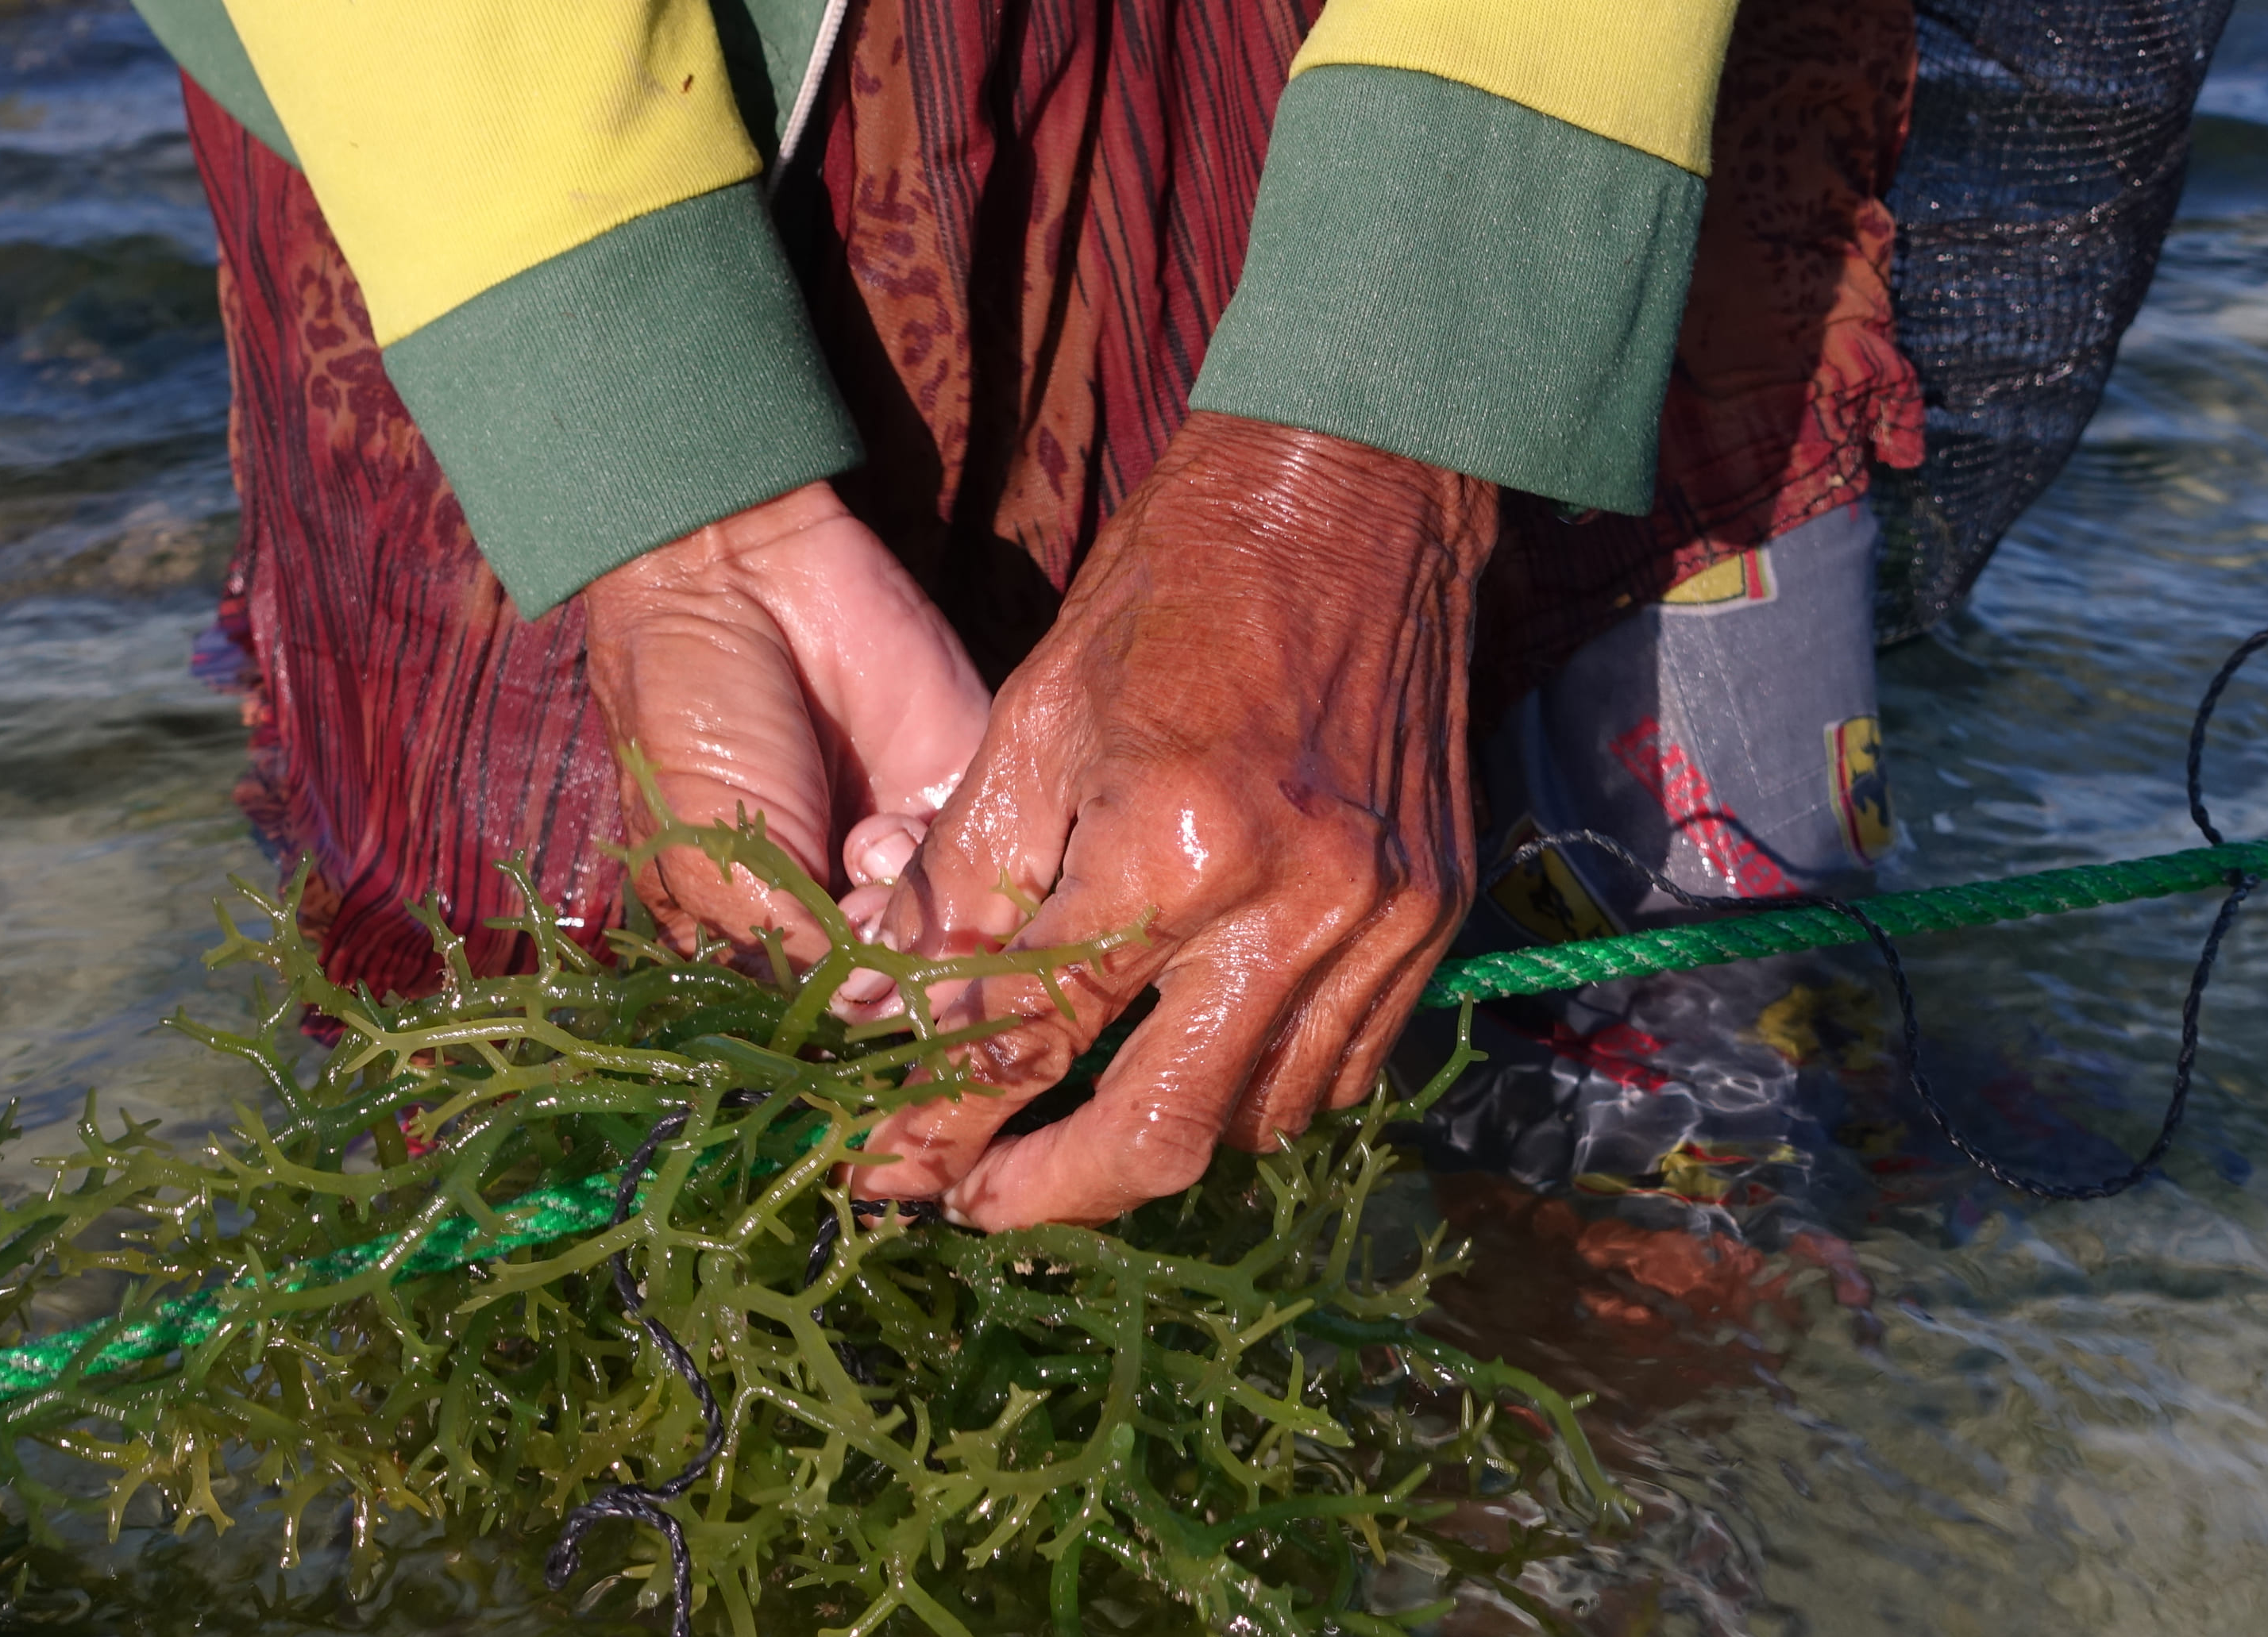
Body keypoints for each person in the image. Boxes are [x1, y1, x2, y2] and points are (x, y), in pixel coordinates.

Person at [135, 0, 1923, 1231]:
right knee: (572, 1129)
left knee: (1693, 1097)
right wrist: (667, 496)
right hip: (465, 92)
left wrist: (1382, 420)